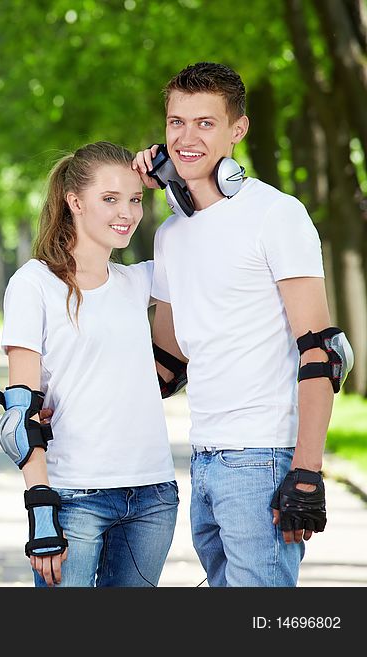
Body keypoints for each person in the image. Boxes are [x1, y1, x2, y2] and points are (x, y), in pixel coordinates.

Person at [132, 62, 353, 587]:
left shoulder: (275, 215)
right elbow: (165, 364)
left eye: (205, 123)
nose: (186, 138)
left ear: (238, 129)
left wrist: (307, 472)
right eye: (175, 122)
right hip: (205, 457)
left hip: (264, 458)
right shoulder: (170, 234)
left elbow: (321, 350)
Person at [0, 141, 178, 587]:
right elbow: (19, 415)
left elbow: (215, 242)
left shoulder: (141, 281)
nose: (128, 213)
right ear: (74, 201)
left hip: (153, 494)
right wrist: (42, 515)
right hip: (76, 496)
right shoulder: (33, 284)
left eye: (135, 199)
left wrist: (176, 181)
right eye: (110, 199)